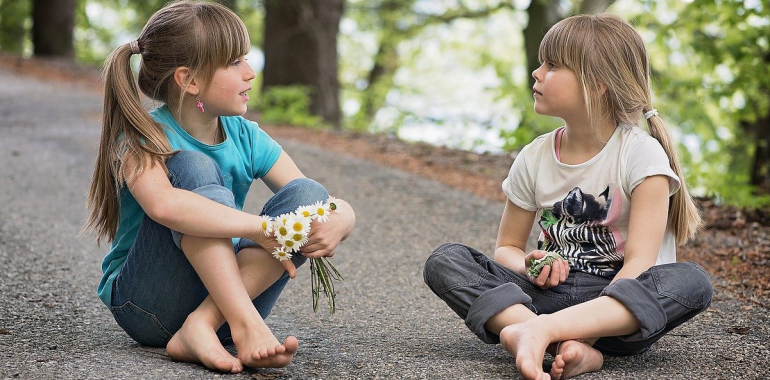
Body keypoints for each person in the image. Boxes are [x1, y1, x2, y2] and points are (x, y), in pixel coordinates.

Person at [423, 13, 712, 380]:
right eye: (542, 62)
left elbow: (639, 263)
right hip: (542, 297)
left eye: (553, 65)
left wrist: (580, 325)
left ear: (597, 84)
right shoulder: (535, 155)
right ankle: (556, 341)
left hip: (616, 310)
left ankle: (535, 334)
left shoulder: (641, 155)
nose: (537, 72)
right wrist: (531, 263)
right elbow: (507, 247)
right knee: (446, 260)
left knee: (692, 282)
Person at [84, 1, 355, 373]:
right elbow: (164, 207)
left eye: (246, 59)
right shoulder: (141, 137)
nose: (250, 73)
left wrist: (343, 217)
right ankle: (243, 324)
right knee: (193, 166)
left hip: (226, 302)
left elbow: (312, 198)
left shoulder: (246, 136)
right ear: (189, 80)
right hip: (149, 305)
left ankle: (203, 325)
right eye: (234, 63)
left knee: (308, 195)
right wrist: (261, 228)